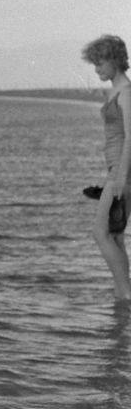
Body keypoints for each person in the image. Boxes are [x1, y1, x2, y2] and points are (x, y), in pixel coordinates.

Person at [81, 35, 131, 301]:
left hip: (122, 174)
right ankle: (122, 299)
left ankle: (126, 292)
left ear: (114, 60)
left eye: (100, 63)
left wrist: (120, 177)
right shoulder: (115, 91)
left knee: (100, 233)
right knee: (115, 235)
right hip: (116, 170)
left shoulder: (127, 93)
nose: (97, 69)